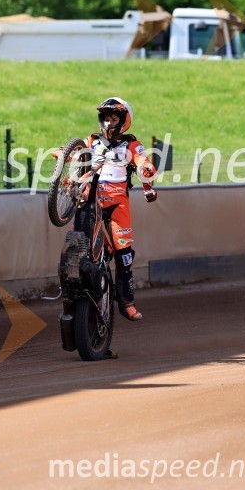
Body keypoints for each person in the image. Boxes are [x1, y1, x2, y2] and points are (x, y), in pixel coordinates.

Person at [85, 97, 157, 322]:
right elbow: (75, 151)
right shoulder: (92, 140)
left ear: (124, 120)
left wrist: (146, 171)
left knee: (124, 254)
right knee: (79, 240)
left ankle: (126, 302)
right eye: (105, 118)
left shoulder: (132, 144)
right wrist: (64, 154)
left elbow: (145, 163)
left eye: (114, 117)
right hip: (91, 199)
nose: (108, 122)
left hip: (117, 203)